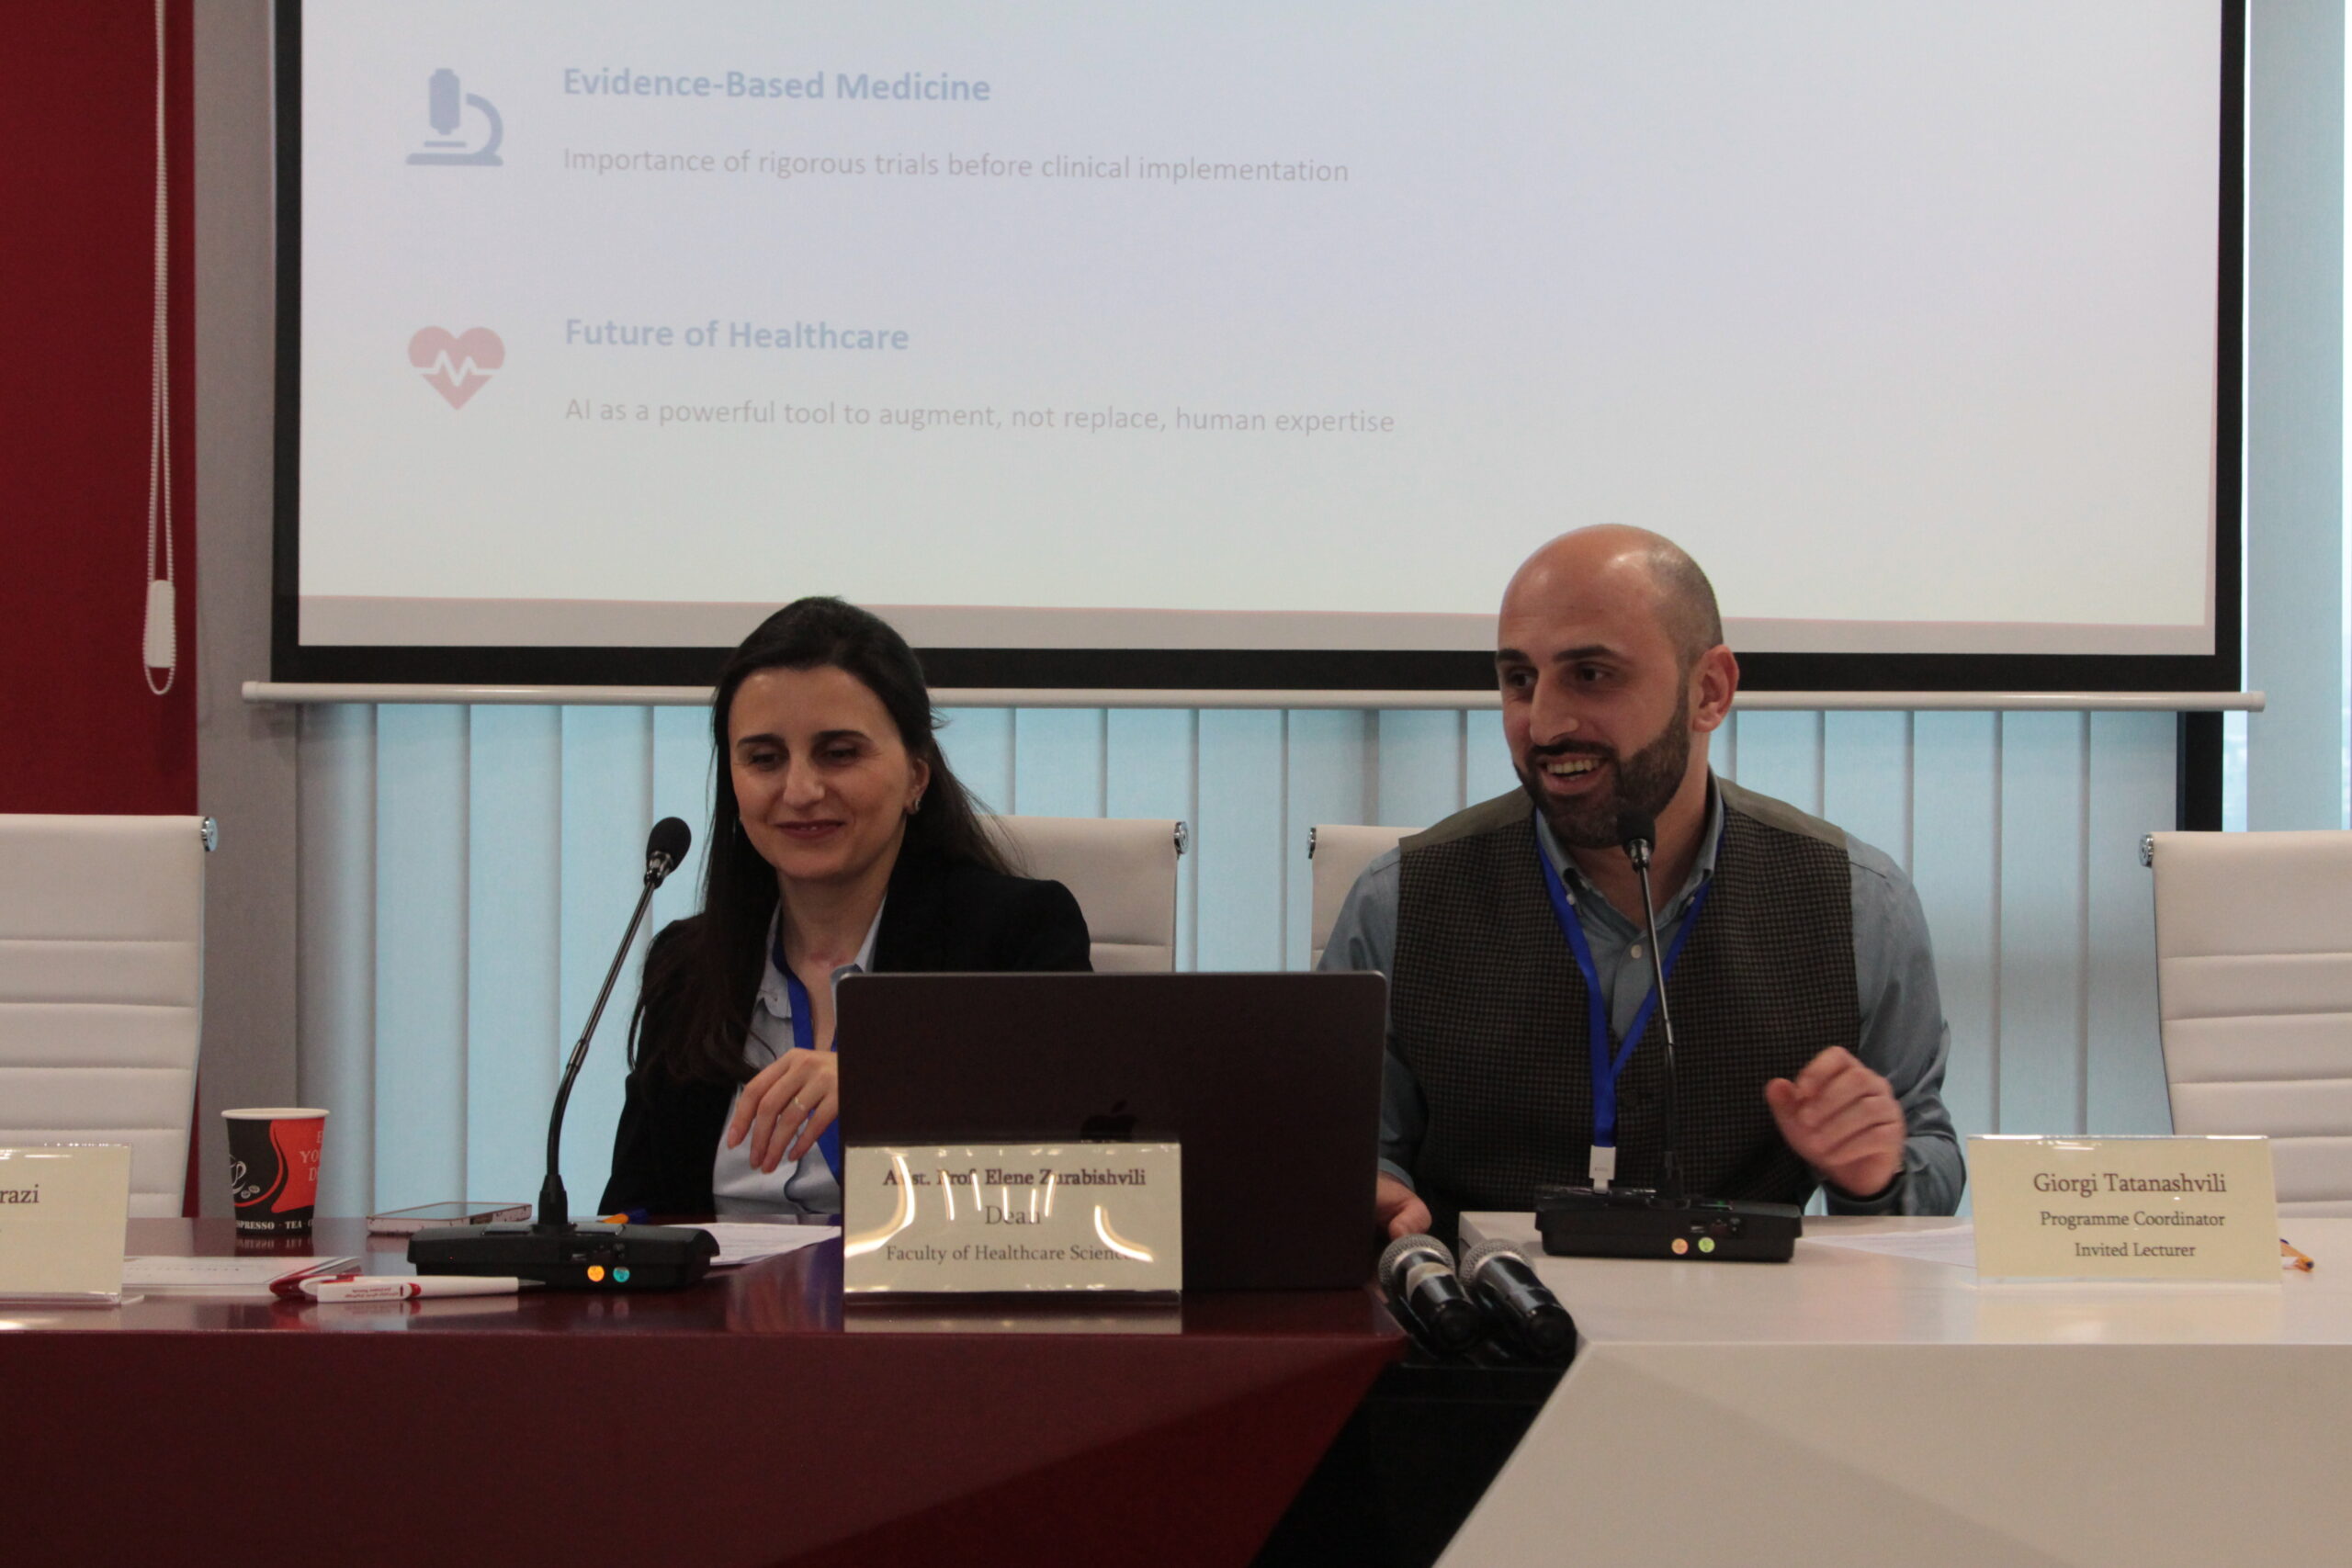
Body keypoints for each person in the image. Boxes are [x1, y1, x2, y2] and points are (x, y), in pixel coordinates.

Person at [1321, 526, 1964, 1239]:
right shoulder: (1400, 901)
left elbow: (1926, 1153)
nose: (1545, 725)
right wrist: (1357, 1189)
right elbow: (1346, 1150)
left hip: (1742, 1309)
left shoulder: (1858, 902)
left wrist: (1877, 1172)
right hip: (1479, 1305)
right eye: (1520, 680)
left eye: (1591, 675)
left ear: (1709, 691)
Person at [601, 597, 1091, 1217]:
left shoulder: (1014, 935)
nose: (801, 790)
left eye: (839, 753)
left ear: (916, 776)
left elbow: (1075, 1167)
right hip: (721, 1285)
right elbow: (635, 1211)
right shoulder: (686, 966)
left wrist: (885, 1085)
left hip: (925, 1280)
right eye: (764, 759)